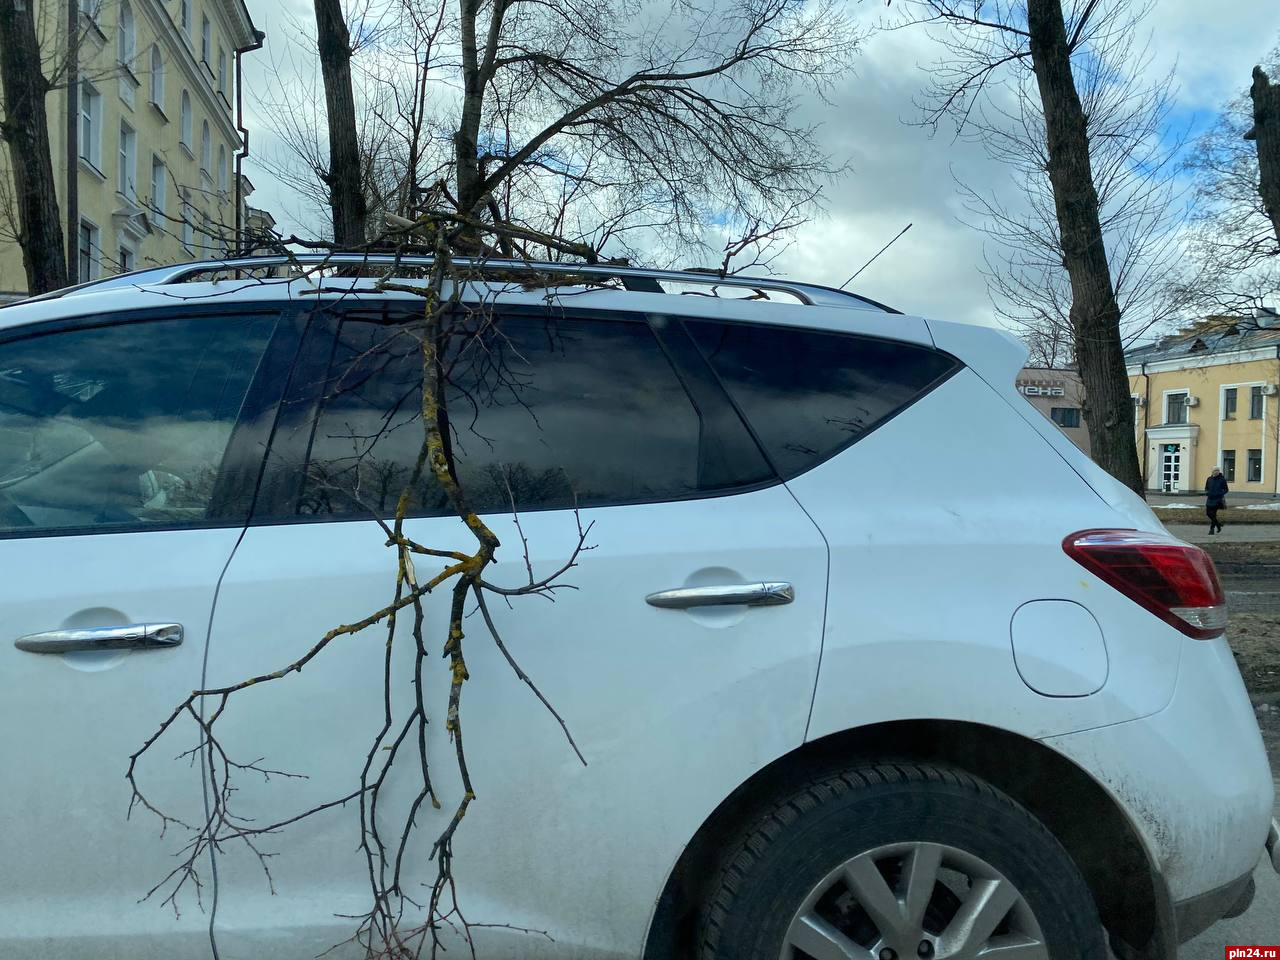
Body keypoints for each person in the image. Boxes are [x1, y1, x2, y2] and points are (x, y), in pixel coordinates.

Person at [1205, 467, 1229, 534]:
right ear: (1212, 471)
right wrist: (1207, 492)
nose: (1216, 472)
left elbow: (1226, 489)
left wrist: (1220, 493)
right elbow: (1206, 487)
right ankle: (1218, 524)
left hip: (1217, 499)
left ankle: (1211, 530)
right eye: (1214, 470)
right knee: (1208, 513)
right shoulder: (1209, 479)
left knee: (1213, 514)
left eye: (1217, 470)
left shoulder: (1222, 479)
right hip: (1210, 498)